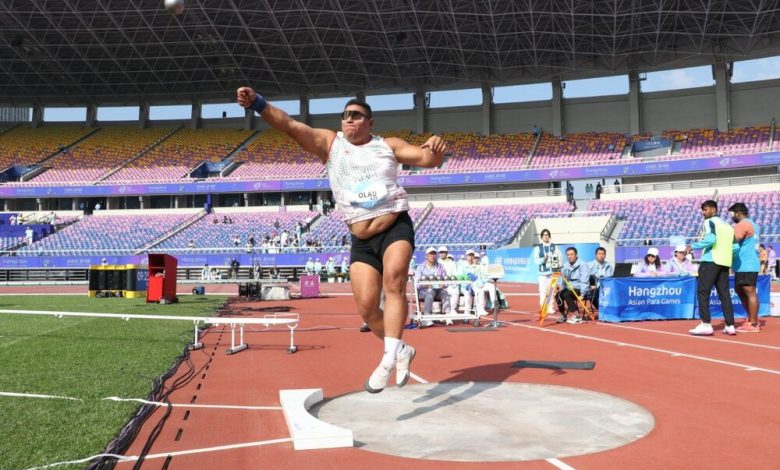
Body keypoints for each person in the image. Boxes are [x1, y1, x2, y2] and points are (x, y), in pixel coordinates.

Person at [238, 86, 446, 393]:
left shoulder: (387, 146)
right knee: (366, 309)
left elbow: (427, 159)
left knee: (395, 281)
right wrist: (257, 103)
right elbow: (289, 125)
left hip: (394, 226)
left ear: (369, 122)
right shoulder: (331, 145)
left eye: (356, 115)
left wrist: (435, 149)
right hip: (361, 238)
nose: (349, 120)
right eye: (346, 116)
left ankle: (388, 359)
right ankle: (401, 350)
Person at [686, 200, 736, 336]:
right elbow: (735, 246)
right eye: (702, 210)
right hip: (724, 262)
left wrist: (693, 246)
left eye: (705, 209)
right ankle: (730, 325)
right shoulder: (728, 226)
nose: (703, 212)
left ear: (714, 210)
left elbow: (711, 239)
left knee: (703, 292)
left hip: (710, 261)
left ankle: (706, 324)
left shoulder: (709, 222)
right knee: (724, 294)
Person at [729, 203, 761, 333]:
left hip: (746, 263)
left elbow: (734, 240)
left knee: (749, 291)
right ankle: (751, 319)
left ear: (737, 213)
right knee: (740, 290)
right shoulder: (753, 224)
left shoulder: (742, 224)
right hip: (746, 263)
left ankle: (753, 323)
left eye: (732, 215)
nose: (732, 218)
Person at [415, 247, 451, 326]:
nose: (432, 256)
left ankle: (448, 316)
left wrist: (444, 284)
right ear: (426, 256)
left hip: (438, 290)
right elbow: (417, 283)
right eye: (430, 254)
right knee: (430, 292)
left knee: (445, 292)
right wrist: (425, 285)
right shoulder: (420, 268)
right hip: (424, 291)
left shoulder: (440, 266)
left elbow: (446, 279)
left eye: (434, 254)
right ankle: (427, 317)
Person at [555, 247, 590, 324]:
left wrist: (583, 294)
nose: (570, 256)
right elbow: (563, 279)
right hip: (570, 288)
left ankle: (577, 316)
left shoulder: (583, 265)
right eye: (568, 255)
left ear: (576, 255)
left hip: (580, 288)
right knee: (558, 295)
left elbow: (585, 281)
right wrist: (561, 287)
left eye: (571, 254)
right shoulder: (565, 266)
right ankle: (563, 315)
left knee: (567, 294)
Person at [534, 229, 560, 315]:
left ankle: (550, 307)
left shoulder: (554, 246)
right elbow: (536, 261)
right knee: (543, 290)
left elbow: (558, 257)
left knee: (551, 290)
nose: (545, 236)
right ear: (541, 237)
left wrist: (557, 266)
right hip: (542, 273)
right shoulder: (538, 247)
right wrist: (543, 259)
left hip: (552, 272)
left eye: (547, 235)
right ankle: (543, 307)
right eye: (544, 235)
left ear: (549, 236)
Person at [437, 246, 460, 316]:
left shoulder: (452, 263)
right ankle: (437, 311)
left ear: (447, 253)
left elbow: (455, 274)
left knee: (456, 290)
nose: (442, 254)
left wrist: (452, 283)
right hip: (439, 285)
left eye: (443, 252)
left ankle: (452, 310)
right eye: (440, 252)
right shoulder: (436, 262)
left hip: (449, 284)